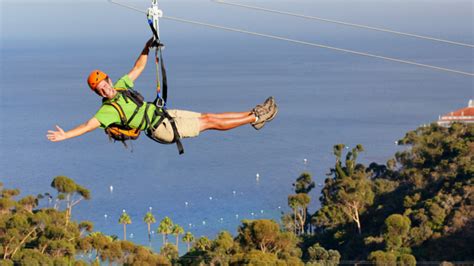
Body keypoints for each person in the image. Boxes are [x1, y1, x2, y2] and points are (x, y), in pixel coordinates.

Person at [46, 38, 277, 147]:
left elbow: (138, 67)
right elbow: (88, 126)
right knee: (211, 124)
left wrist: (146, 47)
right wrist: (66, 135)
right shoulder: (107, 111)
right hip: (162, 128)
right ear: (98, 93)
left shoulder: (121, 86)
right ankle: (257, 118)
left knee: (208, 116)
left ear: (108, 79)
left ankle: (254, 113)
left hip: (164, 114)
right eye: (100, 89)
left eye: (105, 83)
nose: (105, 88)